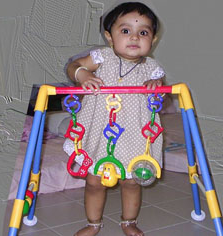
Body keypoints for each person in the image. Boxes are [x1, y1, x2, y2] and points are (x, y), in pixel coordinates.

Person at [63, 2, 165, 236]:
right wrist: (83, 74)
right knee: (94, 181)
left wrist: (157, 87)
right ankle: (93, 223)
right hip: (100, 132)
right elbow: (73, 66)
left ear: (154, 39)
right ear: (110, 37)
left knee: (131, 181)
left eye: (144, 32)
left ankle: (129, 221)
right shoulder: (102, 58)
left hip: (135, 136)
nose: (135, 37)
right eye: (125, 30)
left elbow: (160, 101)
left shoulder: (152, 68)